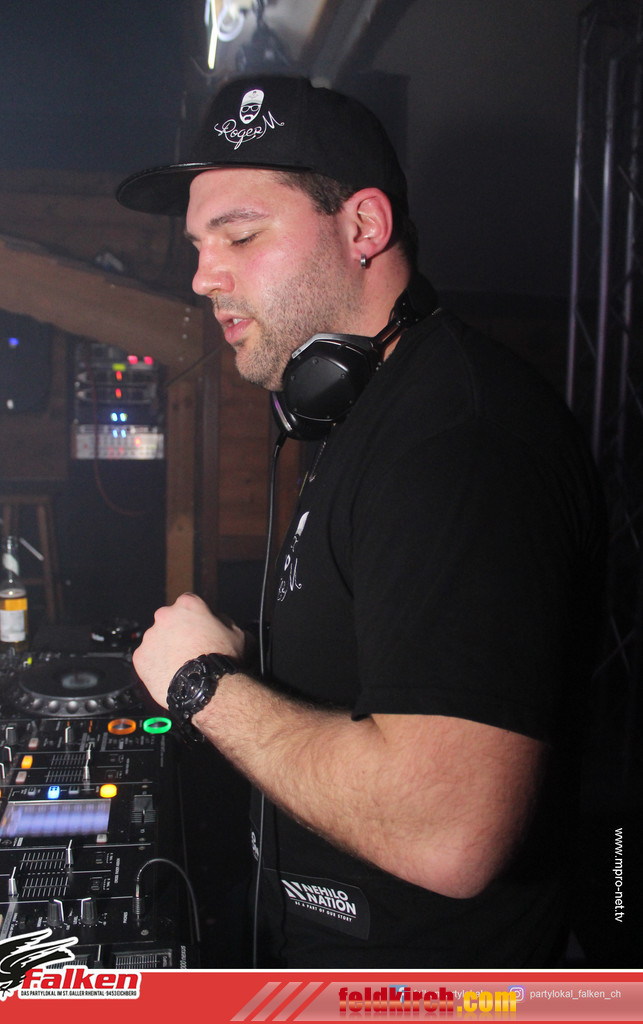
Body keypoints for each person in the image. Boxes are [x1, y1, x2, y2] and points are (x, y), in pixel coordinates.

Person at [116, 74, 607, 967]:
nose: (202, 277)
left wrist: (203, 687)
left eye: (240, 235)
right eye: (197, 246)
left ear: (363, 228)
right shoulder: (371, 407)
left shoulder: (458, 439)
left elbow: (446, 831)